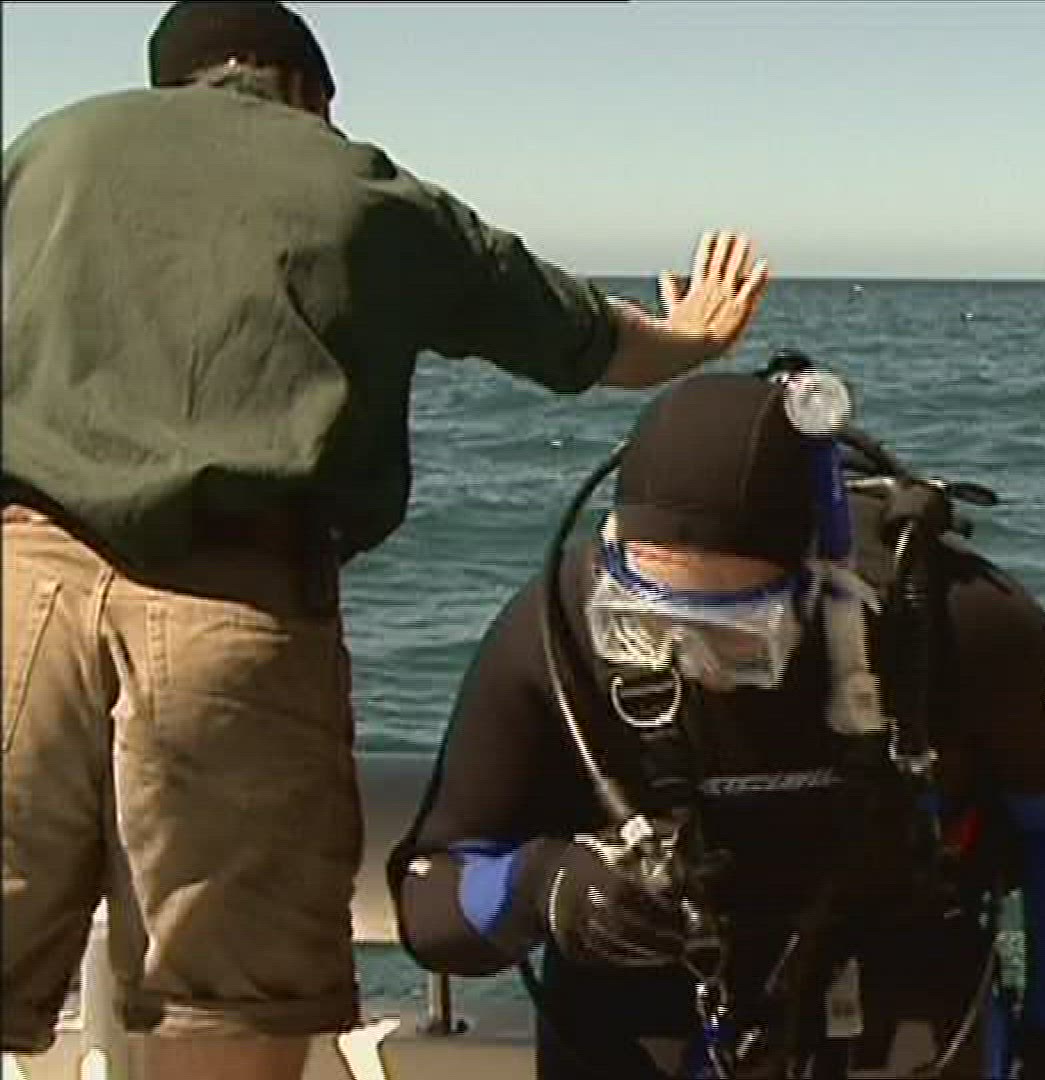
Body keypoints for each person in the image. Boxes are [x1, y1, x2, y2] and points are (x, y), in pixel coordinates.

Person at [1, 2, 768, 1077]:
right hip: (228, 617)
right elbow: (586, 341)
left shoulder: (51, 149)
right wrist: (694, 338)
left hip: (15, 592)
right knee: (230, 1008)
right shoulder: (360, 187)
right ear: (310, 92)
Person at [390, 367, 1045, 1079]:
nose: (693, 664)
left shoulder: (956, 621)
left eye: (736, 637)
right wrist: (541, 888)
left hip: (894, 968)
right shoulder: (557, 632)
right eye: (645, 628)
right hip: (652, 982)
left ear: (821, 580)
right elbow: (429, 900)